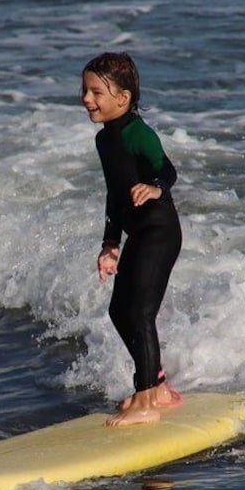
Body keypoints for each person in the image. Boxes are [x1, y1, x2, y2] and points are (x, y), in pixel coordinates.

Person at [81, 52, 183, 427]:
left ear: (123, 98)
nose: (87, 99)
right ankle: (156, 387)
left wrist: (155, 188)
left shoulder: (139, 133)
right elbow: (114, 193)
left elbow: (167, 169)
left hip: (160, 231)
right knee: (119, 311)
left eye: (96, 92)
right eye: (85, 90)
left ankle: (145, 403)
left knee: (140, 313)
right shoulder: (104, 141)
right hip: (137, 231)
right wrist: (110, 244)